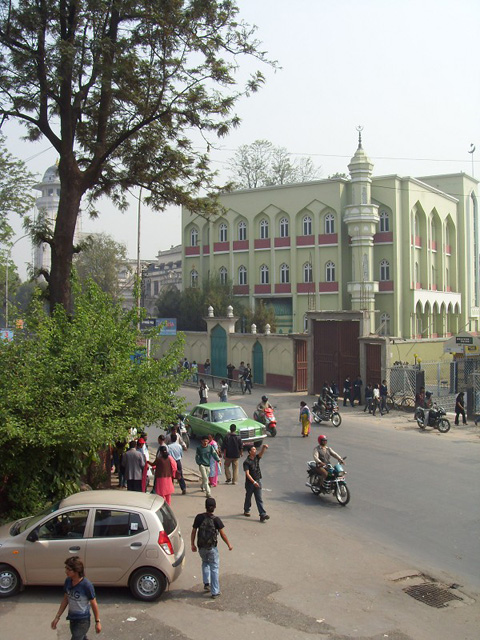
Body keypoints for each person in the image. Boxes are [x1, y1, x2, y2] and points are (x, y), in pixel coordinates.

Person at [191, 497, 232, 599]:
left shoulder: (199, 517)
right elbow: (223, 535)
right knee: (214, 567)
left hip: (201, 547)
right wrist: (229, 545)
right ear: (214, 507)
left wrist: (192, 544)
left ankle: (206, 583)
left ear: (205, 506)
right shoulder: (216, 520)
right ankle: (215, 591)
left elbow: (194, 531)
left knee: (205, 562)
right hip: (212, 548)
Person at [51, 556, 101, 639]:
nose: (66, 571)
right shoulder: (68, 581)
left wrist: (97, 622)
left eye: (68, 569)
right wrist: (57, 617)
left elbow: (93, 603)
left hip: (83, 621)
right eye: (66, 568)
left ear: (76, 570)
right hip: (72, 618)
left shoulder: (86, 585)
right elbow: (65, 599)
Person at [243, 444, 269, 522]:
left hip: (258, 481)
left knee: (259, 498)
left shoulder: (256, 458)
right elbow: (247, 474)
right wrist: (253, 482)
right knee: (248, 497)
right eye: (253, 450)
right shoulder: (246, 462)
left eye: (255, 449)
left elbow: (261, 453)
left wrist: (264, 447)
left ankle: (262, 514)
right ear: (249, 452)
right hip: (250, 483)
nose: (255, 450)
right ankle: (246, 509)